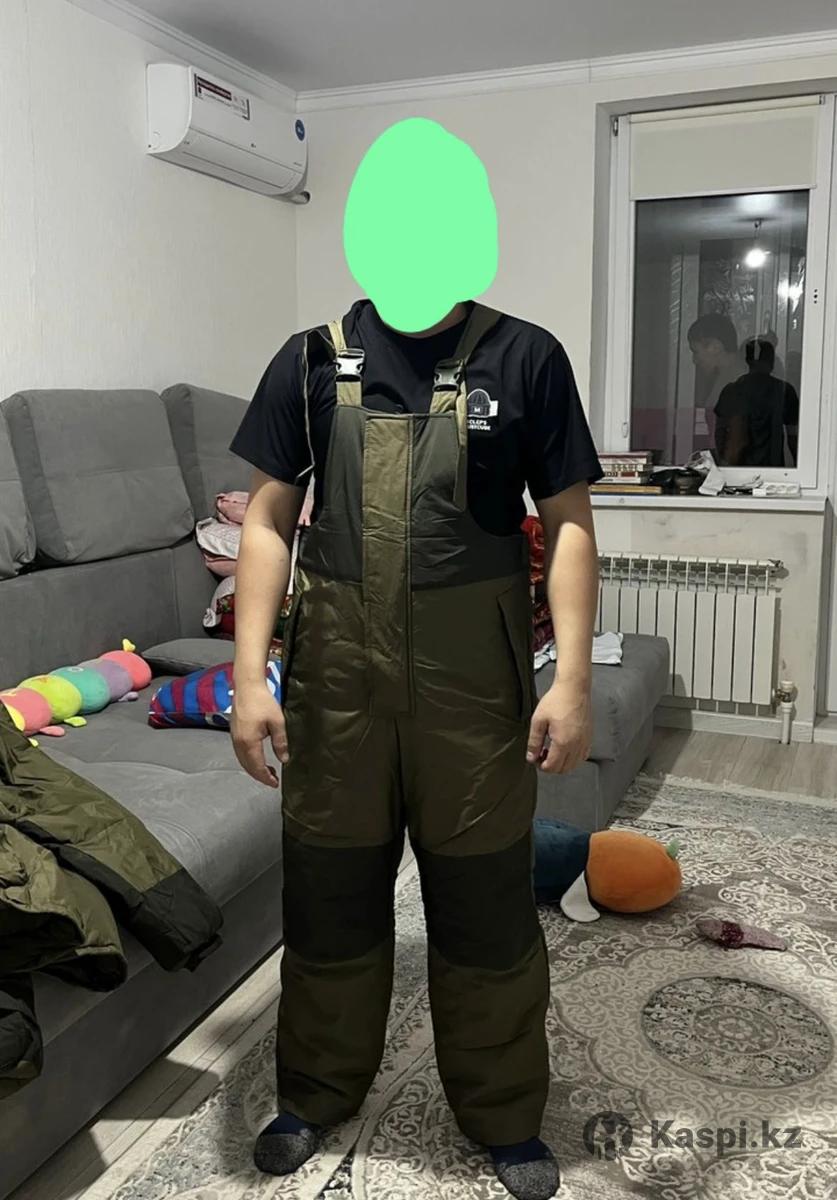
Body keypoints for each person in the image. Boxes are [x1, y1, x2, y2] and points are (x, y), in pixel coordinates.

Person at [228, 118, 603, 1200]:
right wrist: (249, 677)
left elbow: (569, 524)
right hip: (336, 690)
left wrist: (572, 680)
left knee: (485, 911)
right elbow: (267, 521)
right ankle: (314, 1092)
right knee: (330, 901)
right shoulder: (309, 359)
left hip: (470, 695)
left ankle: (503, 1115)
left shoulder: (525, 357)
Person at [714, 337, 794, 467]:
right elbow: (794, 437)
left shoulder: (732, 390)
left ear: (746, 361)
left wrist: (723, 465)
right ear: (771, 361)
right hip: (774, 470)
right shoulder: (784, 390)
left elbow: (720, 434)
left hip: (737, 470)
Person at [687, 313, 743, 450]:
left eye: (696, 351)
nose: (694, 360)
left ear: (715, 347)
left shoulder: (735, 384)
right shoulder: (723, 378)